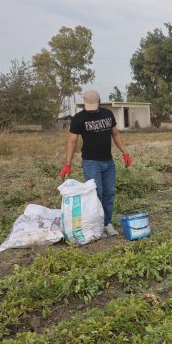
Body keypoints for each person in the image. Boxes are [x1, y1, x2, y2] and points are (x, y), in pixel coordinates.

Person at [61, 90, 131, 238]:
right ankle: (97, 226)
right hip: (91, 163)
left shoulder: (107, 114)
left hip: (108, 161)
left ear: (99, 101)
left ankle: (107, 223)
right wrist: (68, 164)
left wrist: (124, 152)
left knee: (109, 193)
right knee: (96, 194)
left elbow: (116, 134)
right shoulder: (79, 118)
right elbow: (72, 141)